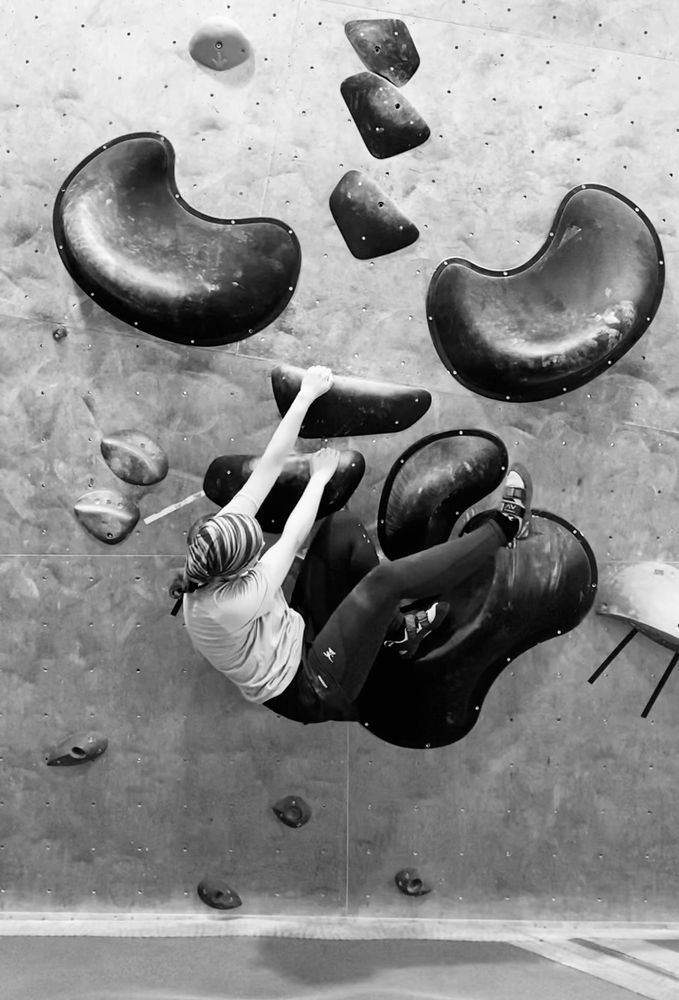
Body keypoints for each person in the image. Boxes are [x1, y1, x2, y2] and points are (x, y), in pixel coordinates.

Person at [170, 366, 533, 725]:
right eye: (255, 553)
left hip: (292, 629)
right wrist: (319, 479)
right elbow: (294, 536)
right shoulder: (231, 604)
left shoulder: (218, 540)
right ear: (235, 571)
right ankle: (506, 528)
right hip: (308, 685)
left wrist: (304, 396)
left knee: (341, 528)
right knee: (386, 583)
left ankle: (399, 633)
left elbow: (269, 466)